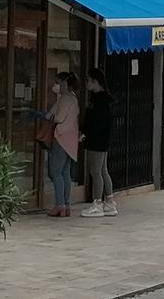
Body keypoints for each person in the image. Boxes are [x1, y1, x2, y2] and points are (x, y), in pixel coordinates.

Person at [79, 67, 117, 218]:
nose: (86, 83)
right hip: (101, 139)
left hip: (97, 140)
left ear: (96, 82)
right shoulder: (101, 99)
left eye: (88, 80)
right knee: (102, 170)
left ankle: (97, 203)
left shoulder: (100, 101)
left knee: (95, 171)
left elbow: (97, 122)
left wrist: (86, 133)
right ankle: (109, 201)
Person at [45, 71, 80, 217]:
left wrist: (49, 116)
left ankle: (59, 205)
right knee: (65, 172)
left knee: (55, 172)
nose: (56, 86)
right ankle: (66, 204)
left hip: (61, 138)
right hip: (71, 140)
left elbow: (57, 118)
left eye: (58, 82)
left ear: (65, 83)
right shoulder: (73, 99)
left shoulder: (65, 99)